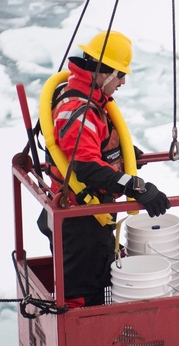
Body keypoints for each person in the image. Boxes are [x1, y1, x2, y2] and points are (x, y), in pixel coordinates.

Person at [38, 30, 170, 307]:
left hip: (89, 217)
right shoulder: (80, 109)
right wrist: (136, 186)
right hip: (80, 222)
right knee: (81, 297)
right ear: (104, 72)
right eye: (120, 74)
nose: (123, 81)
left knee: (95, 283)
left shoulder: (88, 99)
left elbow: (92, 146)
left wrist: (121, 156)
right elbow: (85, 165)